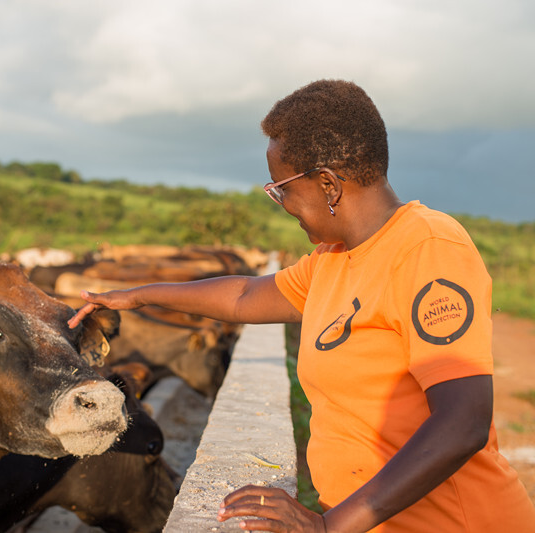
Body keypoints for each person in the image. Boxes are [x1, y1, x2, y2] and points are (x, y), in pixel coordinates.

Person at [68, 79, 535, 532]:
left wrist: (330, 526)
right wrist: (139, 295)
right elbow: (244, 296)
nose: (280, 203)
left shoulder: (428, 247)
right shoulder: (332, 259)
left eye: (281, 188)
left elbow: (463, 421)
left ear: (328, 184)